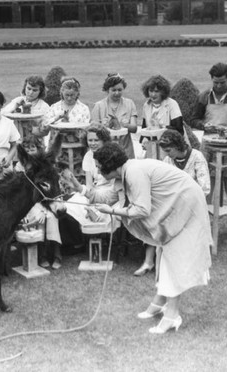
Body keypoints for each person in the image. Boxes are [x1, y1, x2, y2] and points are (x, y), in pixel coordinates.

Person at [93, 143, 212, 335]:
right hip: (177, 204)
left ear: (110, 165)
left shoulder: (134, 172)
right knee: (163, 254)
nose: (97, 170)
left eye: (99, 166)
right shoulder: (125, 172)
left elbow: (141, 209)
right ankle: (159, 303)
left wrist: (113, 211)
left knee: (175, 259)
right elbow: (108, 197)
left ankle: (172, 316)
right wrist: (79, 189)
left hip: (186, 205)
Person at [133, 129, 211, 277]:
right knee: (154, 219)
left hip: (192, 204)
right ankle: (148, 261)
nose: (167, 154)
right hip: (172, 203)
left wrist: (181, 199)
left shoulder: (196, 157)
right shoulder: (168, 160)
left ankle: (174, 262)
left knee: (166, 221)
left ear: (178, 146)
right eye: (165, 151)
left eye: (169, 150)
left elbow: (205, 188)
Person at [189, 62, 227, 240]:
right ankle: (205, 225)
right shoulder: (204, 97)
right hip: (209, 146)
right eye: (215, 82)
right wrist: (203, 125)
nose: (218, 86)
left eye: (221, 82)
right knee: (207, 186)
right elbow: (193, 119)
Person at [60, 125, 122, 243]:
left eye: (96, 140)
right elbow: (89, 184)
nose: (93, 143)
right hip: (95, 188)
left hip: (112, 189)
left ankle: (98, 223)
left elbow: (115, 181)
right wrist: (89, 196)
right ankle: (80, 239)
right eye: (90, 140)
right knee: (73, 203)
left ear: (104, 140)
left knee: (108, 206)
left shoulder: (112, 153)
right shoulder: (88, 156)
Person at [16, 135, 63, 269]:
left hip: (45, 200)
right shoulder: (20, 167)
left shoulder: (45, 164)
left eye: (33, 147)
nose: (30, 151)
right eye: (27, 148)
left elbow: (51, 188)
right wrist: (40, 209)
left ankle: (57, 252)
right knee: (40, 216)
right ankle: (41, 254)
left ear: (39, 149)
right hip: (29, 204)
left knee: (52, 216)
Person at [91, 73, 138, 158]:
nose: (117, 93)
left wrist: (124, 125)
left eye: (120, 90)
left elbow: (134, 128)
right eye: (113, 90)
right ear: (107, 90)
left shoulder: (129, 103)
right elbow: (93, 131)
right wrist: (105, 127)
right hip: (105, 150)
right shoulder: (98, 106)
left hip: (126, 149)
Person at [140, 75, 184, 160]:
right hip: (152, 145)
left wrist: (162, 128)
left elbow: (179, 130)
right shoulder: (146, 105)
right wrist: (144, 140)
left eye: (156, 91)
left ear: (163, 92)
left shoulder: (172, 104)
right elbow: (144, 127)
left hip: (170, 148)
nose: (153, 94)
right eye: (151, 91)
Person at [2, 76, 51, 145]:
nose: (30, 92)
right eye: (29, 88)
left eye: (35, 90)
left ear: (40, 91)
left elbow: (45, 130)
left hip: (35, 142)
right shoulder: (17, 100)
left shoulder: (44, 106)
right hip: (15, 141)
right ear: (25, 87)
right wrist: (15, 107)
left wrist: (30, 128)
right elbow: (2, 115)